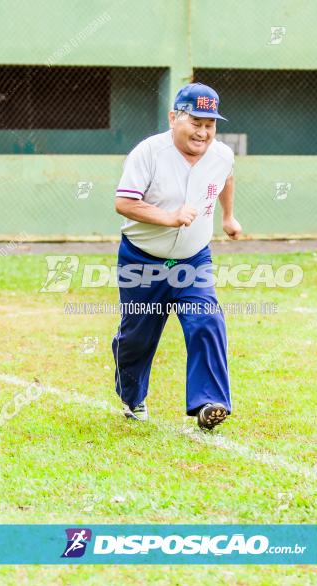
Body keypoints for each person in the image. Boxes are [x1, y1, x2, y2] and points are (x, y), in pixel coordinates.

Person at [112, 82, 242, 430]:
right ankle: (132, 397)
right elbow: (123, 202)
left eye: (210, 125)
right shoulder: (148, 153)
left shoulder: (222, 154)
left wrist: (228, 217)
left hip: (193, 259)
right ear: (173, 118)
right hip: (142, 261)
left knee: (206, 320)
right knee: (137, 337)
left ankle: (210, 403)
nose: (203, 132)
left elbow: (227, 176)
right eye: (195, 122)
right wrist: (169, 217)